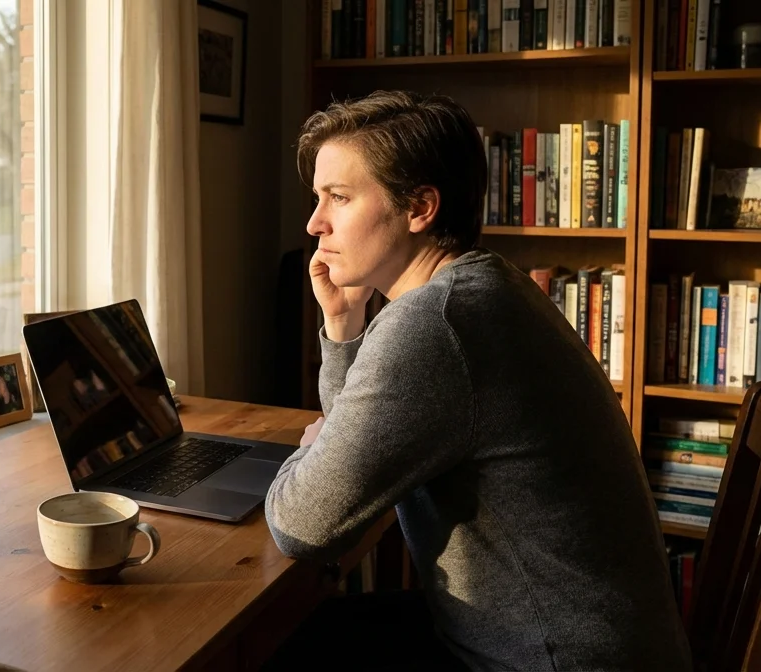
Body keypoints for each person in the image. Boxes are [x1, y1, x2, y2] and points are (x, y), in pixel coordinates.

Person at [263, 90, 691, 672]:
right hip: (566, 642)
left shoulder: (436, 324)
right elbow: (356, 459)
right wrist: (342, 323)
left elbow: (306, 523)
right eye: (319, 198)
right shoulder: (477, 288)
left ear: (420, 207)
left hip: (548, 659)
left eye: (339, 197)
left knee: (267, 647)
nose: (316, 222)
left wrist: (306, 454)